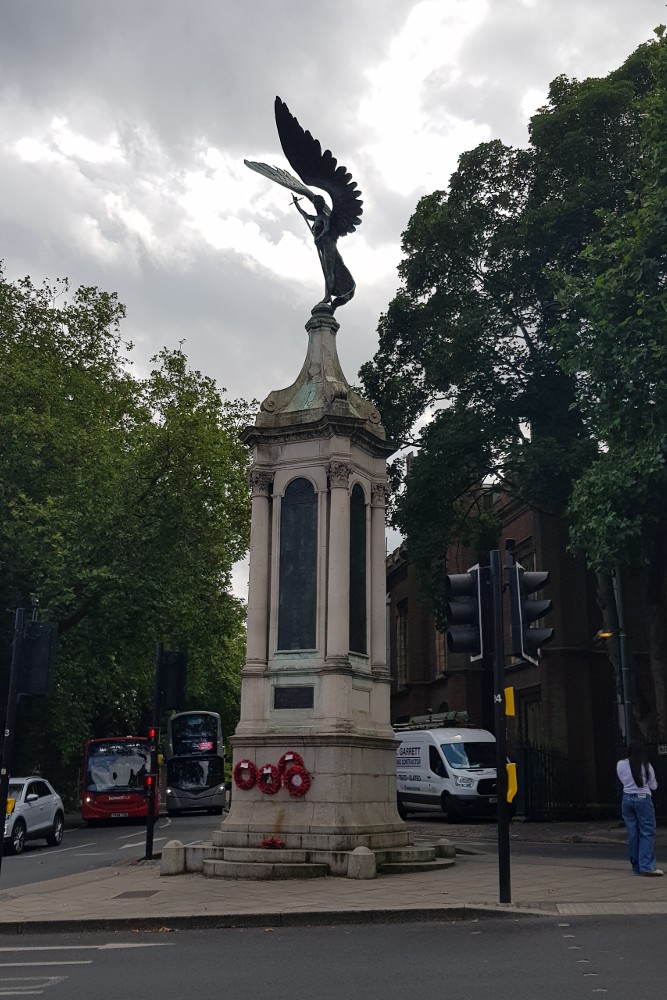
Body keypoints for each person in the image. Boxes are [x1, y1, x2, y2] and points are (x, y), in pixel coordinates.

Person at [616, 740, 663, 876]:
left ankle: (636, 866)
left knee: (633, 833)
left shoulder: (620, 764)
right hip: (643, 798)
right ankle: (646, 865)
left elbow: (622, 780)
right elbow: (653, 786)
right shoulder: (646, 766)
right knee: (647, 832)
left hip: (627, 799)